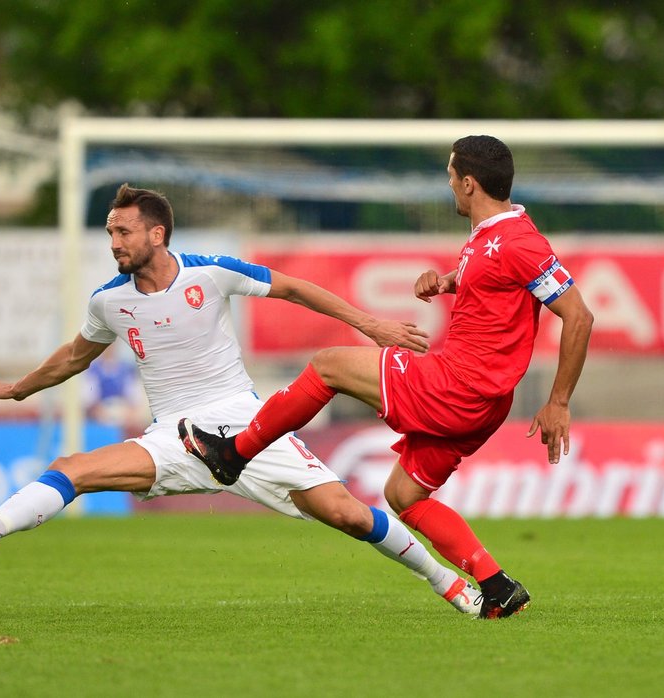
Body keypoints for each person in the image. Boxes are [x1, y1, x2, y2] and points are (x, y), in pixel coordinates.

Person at [0, 183, 483, 616]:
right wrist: (19, 388)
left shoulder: (209, 274)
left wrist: (371, 325)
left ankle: (446, 582)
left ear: (156, 234)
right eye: (109, 233)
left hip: (248, 426)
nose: (114, 243)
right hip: (173, 438)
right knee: (71, 468)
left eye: (122, 232)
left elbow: (294, 288)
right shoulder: (109, 301)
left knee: (350, 515)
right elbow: (75, 356)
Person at [179, 136, 594, 620]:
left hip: (456, 385)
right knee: (403, 496)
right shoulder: (494, 235)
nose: (448, 186)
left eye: (450, 177)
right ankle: (496, 585)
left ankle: (234, 454)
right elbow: (494, 276)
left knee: (329, 364)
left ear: (469, 183)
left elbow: (579, 316)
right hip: (483, 401)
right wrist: (446, 281)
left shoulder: (521, 241)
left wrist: (559, 401)